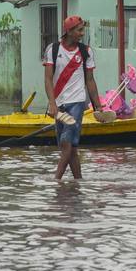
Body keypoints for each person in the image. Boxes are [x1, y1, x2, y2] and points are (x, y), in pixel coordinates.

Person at [43, 15, 101, 182]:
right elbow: (47, 79)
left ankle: (56, 180)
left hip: (77, 102)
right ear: (68, 31)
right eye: (79, 30)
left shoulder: (86, 52)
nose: (82, 34)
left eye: (83, 30)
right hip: (59, 104)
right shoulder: (52, 50)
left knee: (67, 144)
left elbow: (90, 80)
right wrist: (52, 104)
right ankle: (78, 182)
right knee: (70, 147)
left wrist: (99, 106)